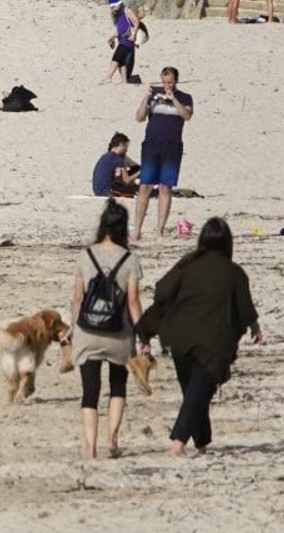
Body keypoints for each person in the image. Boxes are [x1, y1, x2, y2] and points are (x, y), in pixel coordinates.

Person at [136, 218, 262, 457]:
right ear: (228, 243)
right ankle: (178, 443)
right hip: (213, 342)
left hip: (179, 337)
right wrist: (254, 326)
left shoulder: (187, 264)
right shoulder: (234, 272)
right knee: (197, 392)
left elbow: (162, 291)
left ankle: (201, 443)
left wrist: (147, 331)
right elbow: (244, 306)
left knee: (194, 392)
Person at [67, 199, 145, 460]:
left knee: (90, 391)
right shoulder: (130, 260)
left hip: (88, 331)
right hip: (118, 334)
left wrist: (72, 329)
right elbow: (133, 302)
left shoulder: (86, 255)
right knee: (118, 386)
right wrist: (143, 334)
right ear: (123, 228)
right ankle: (112, 437)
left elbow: (77, 299)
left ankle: (90, 446)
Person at [132, 66, 194, 239]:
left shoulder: (185, 97)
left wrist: (173, 99)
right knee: (145, 186)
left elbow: (187, 115)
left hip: (172, 146)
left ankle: (159, 229)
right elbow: (139, 117)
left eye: (170, 82)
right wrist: (146, 98)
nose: (167, 85)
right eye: (164, 81)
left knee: (165, 187)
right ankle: (137, 230)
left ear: (176, 81)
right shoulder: (154, 95)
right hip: (151, 144)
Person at [103, 0, 138, 84]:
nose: (112, 9)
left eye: (114, 6)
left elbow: (136, 21)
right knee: (122, 61)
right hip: (121, 40)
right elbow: (118, 30)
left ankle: (108, 77)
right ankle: (124, 81)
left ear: (118, 4)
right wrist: (111, 39)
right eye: (111, 7)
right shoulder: (116, 15)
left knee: (116, 58)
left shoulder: (127, 10)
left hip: (127, 40)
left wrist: (134, 34)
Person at [92, 132, 140, 197]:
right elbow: (126, 180)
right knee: (136, 189)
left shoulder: (104, 156)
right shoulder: (117, 159)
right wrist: (140, 172)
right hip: (108, 192)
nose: (126, 150)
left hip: (97, 191)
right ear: (121, 145)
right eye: (126, 147)